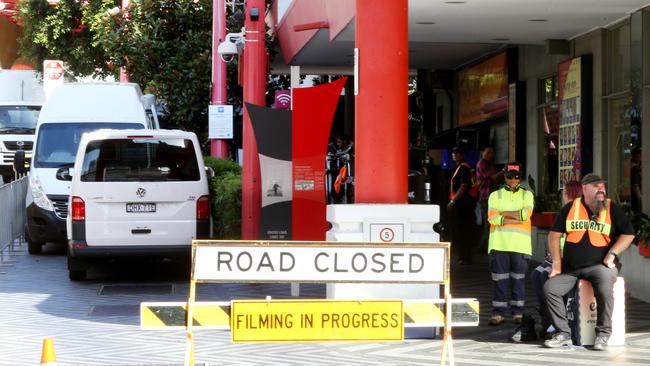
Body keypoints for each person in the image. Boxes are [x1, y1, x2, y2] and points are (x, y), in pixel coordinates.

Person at [542, 173, 635, 350]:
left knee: (605, 288)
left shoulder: (611, 208)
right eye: (596, 186)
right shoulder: (570, 208)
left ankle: (603, 333)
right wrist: (556, 264)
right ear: (584, 189)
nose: (601, 189)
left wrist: (613, 254)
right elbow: (554, 236)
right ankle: (563, 332)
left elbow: (628, 234)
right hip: (571, 267)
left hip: (600, 266)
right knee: (550, 288)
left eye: (603, 186)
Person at [530, 180, 582, 337]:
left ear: (569, 194)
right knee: (537, 274)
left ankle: (554, 322)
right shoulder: (566, 211)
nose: (562, 196)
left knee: (546, 277)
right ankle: (547, 318)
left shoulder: (576, 213)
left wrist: (557, 255)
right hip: (560, 257)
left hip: (572, 261)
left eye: (563, 193)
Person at [486, 162, 534, 325]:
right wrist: (515, 216)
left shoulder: (527, 195)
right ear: (504, 176)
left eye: (516, 177)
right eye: (509, 176)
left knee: (518, 280)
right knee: (500, 280)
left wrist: (503, 215)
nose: (513, 180)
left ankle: (518, 313)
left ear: (520, 178)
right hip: (499, 244)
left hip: (520, 246)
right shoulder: (495, 195)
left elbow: (525, 215)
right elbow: (493, 218)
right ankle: (498, 313)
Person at [447, 146, 476, 265]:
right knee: (462, 230)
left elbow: (463, 186)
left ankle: (464, 257)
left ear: (462, 155)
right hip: (464, 204)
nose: (454, 155)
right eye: (453, 153)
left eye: (457, 153)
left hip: (464, 204)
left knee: (462, 230)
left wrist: (453, 201)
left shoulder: (463, 168)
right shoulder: (459, 167)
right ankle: (464, 256)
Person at [476, 146, 504, 252]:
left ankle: (485, 247)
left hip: (490, 197)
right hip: (486, 197)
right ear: (482, 152)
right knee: (489, 224)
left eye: (491, 153)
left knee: (490, 223)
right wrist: (503, 171)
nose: (490, 155)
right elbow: (492, 178)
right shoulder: (482, 164)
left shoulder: (489, 164)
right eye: (488, 152)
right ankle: (485, 248)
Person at [631, 147, 642, 213]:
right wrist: (640, 199)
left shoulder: (633, 167)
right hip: (635, 200)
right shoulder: (635, 168)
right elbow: (635, 186)